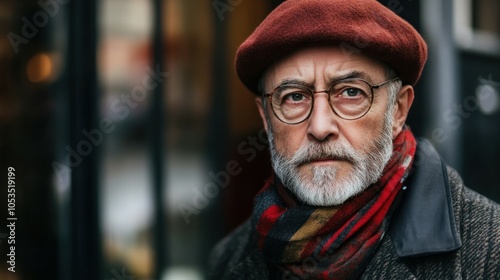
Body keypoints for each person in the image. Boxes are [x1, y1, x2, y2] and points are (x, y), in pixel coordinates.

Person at [208, 0, 500, 279]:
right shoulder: (228, 258)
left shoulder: (491, 251)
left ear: (398, 110)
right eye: (294, 97)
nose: (320, 127)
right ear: (265, 116)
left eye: (351, 92)